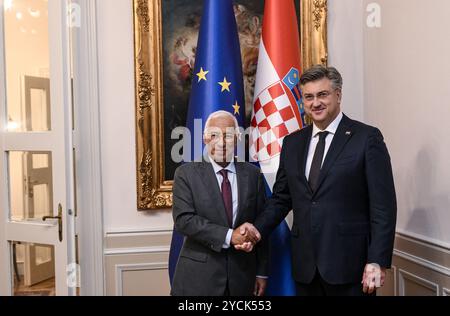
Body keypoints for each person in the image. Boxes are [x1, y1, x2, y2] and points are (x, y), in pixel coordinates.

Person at [236, 65, 397, 296]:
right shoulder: (293, 143)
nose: (315, 103)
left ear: (338, 95)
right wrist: (256, 229)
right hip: (305, 266)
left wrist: (378, 260)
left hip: (351, 267)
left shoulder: (366, 138)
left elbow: (383, 206)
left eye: (322, 94)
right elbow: (281, 199)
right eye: (308, 97)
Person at [171, 110, 269, 296]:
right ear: (205, 138)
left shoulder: (252, 174)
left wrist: (261, 272)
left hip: (242, 278)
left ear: (238, 139)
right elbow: (184, 220)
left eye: (229, 136)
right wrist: (230, 236)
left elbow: (260, 224)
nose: (222, 143)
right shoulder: (186, 174)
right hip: (198, 280)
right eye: (214, 135)